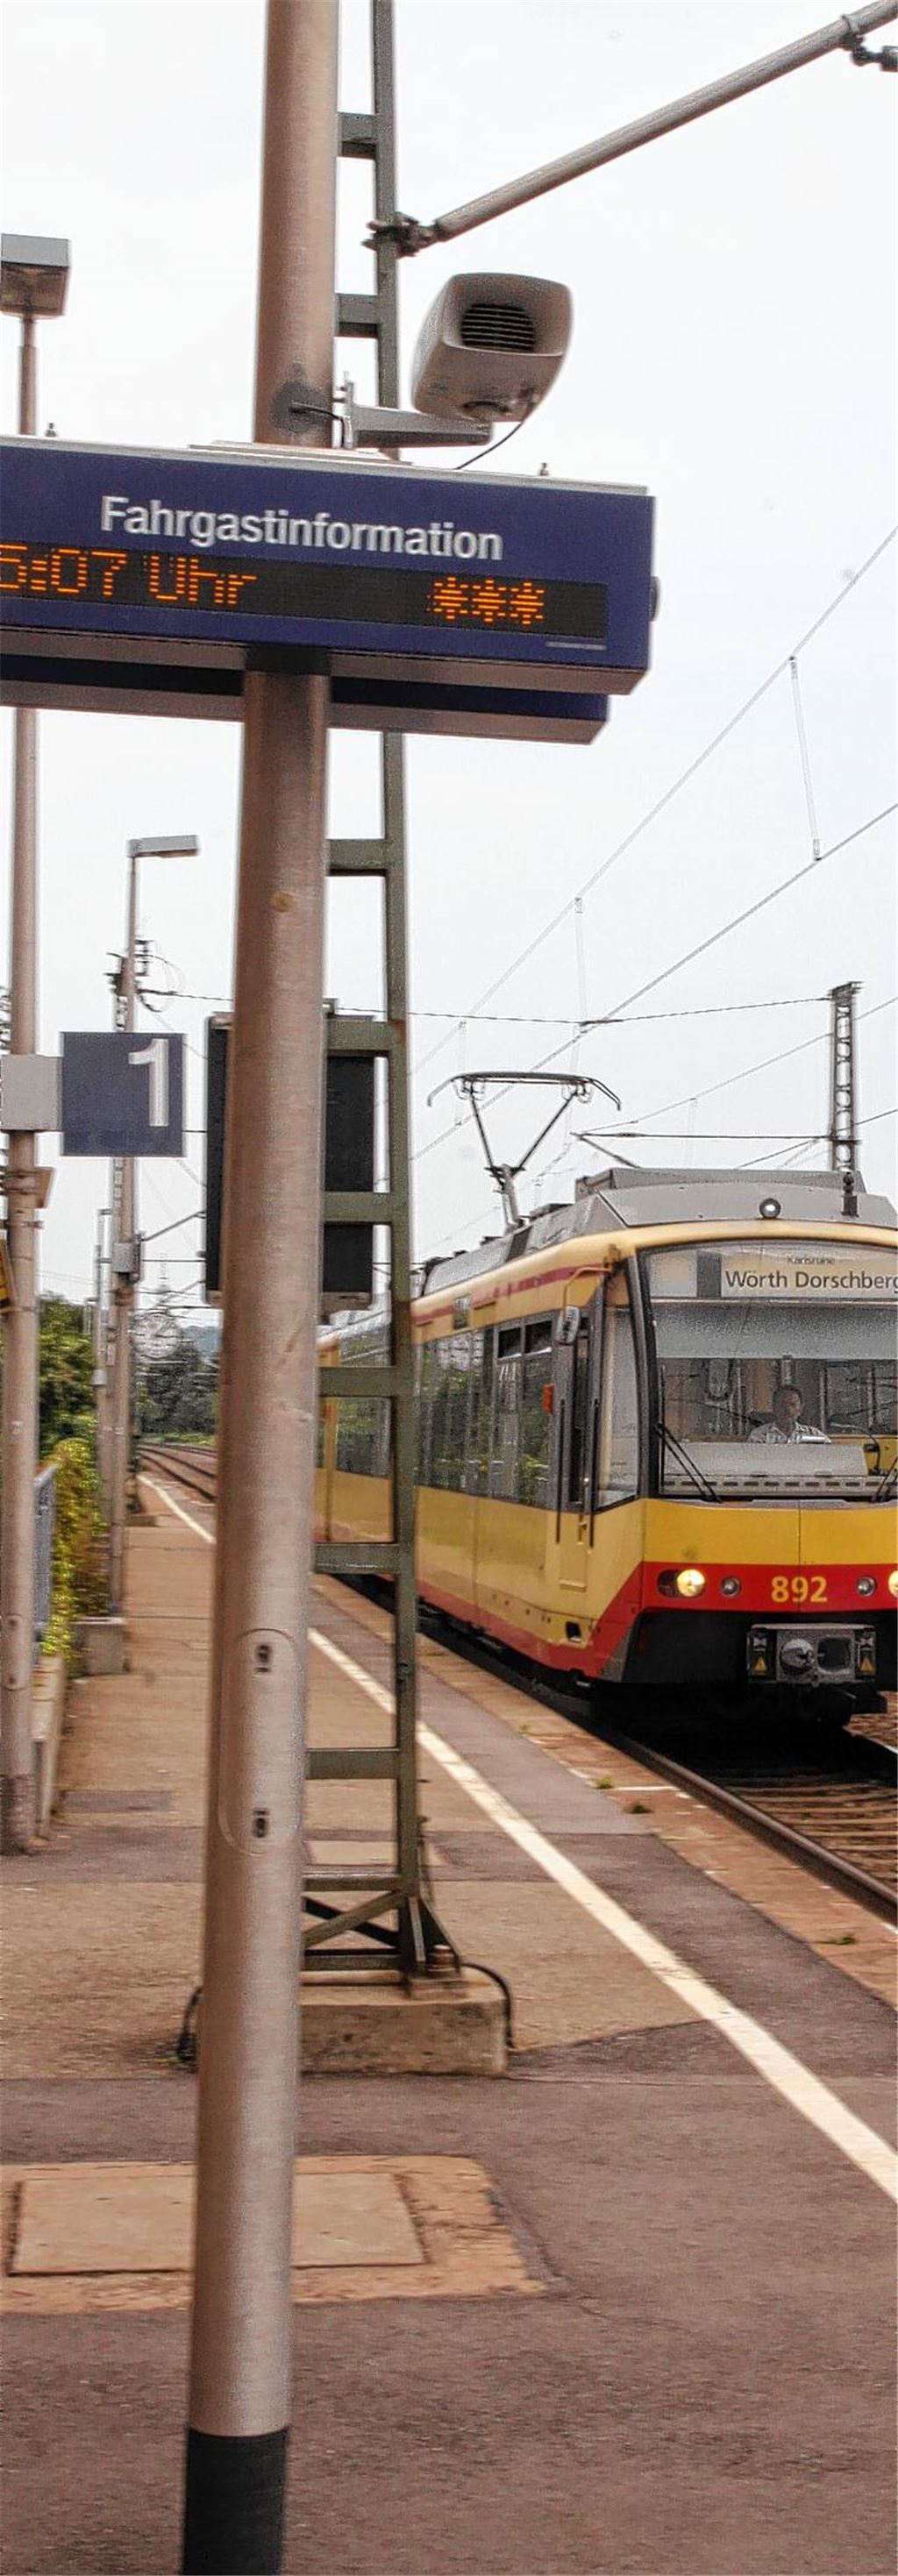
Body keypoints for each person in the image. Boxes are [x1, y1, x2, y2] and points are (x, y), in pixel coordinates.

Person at [749, 1384, 830, 1444]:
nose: (788, 1410)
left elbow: (829, 1456)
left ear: (801, 1409)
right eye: (782, 1405)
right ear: (774, 1408)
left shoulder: (814, 1435)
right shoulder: (759, 1435)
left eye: (793, 1405)